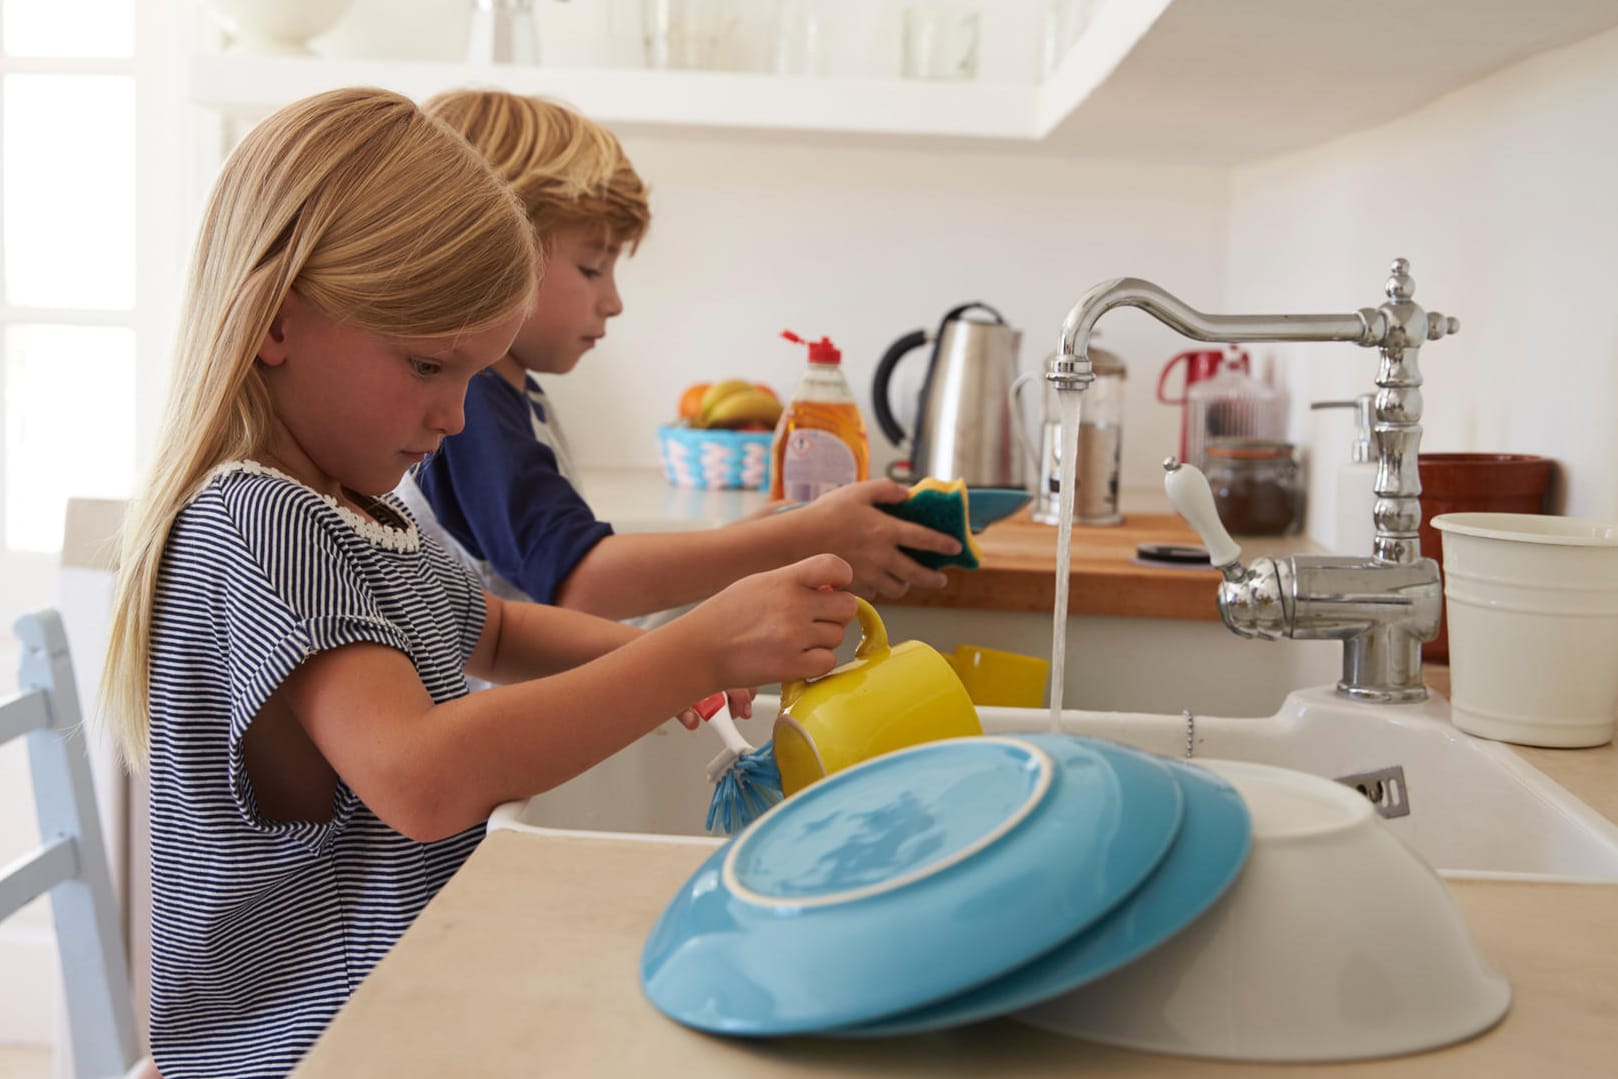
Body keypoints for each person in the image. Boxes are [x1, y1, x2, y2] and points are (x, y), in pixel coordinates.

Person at [100, 87, 856, 1079]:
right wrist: (692, 648)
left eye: (473, 374)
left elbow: (491, 630)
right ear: (278, 326)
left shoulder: (365, 508)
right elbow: (423, 777)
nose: (454, 419)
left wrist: (655, 659)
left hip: (393, 1018)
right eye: (427, 365)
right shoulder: (260, 521)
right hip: (309, 1050)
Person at [398, 90, 963, 622]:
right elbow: (580, 581)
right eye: (592, 268)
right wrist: (797, 539)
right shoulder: (474, 404)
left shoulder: (513, 396)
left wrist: (749, 543)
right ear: (493, 254)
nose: (614, 302)